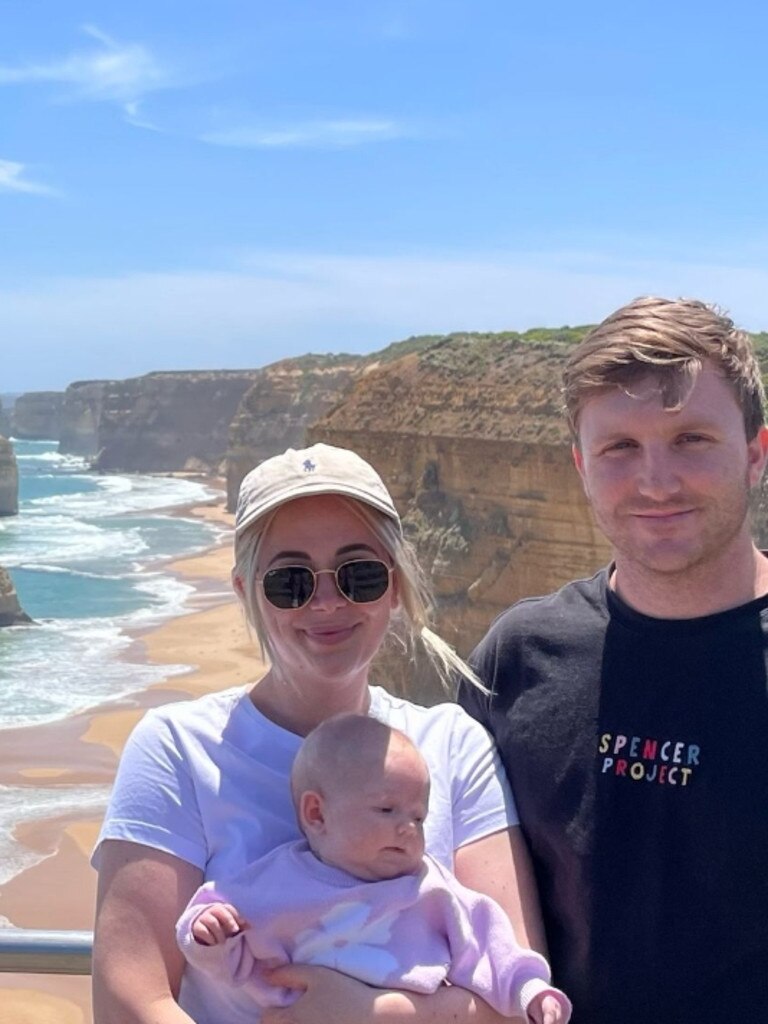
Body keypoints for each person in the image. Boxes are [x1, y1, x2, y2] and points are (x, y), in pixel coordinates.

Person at [92, 442, 545, 1024]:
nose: (327, 601)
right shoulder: (177, 749)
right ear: (244, 592)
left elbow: (519, 992)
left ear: (397, 585)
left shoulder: (454, 745)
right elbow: (130, 1000)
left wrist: (376, 1013)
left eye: (359, 575)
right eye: (290, 581)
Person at [459, 296, 768, 1023]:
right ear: (581, 467)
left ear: (756, 454)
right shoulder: (517, 657)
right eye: (619, 448)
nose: (655, 480)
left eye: (691, 439)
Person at [176, 714, 571, 1024]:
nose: (408, 827)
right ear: (316, 813)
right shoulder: (276, 883)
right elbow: (230, 956)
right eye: (386, 810)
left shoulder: (429, 890)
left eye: (419, 817)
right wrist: (207, 934)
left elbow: (490, 948)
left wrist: (529, 990)